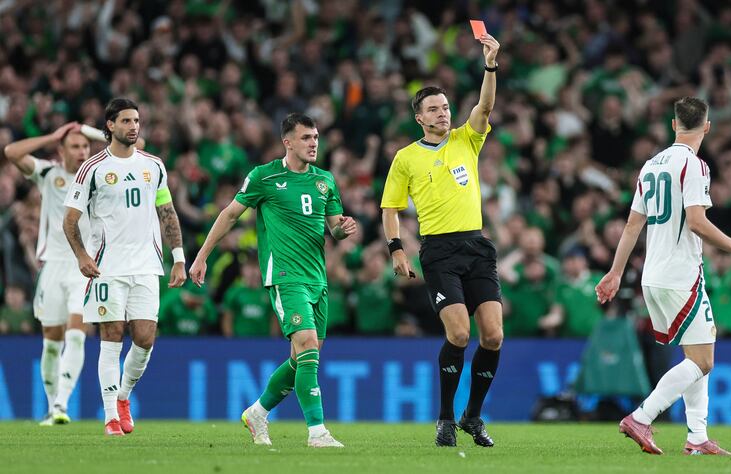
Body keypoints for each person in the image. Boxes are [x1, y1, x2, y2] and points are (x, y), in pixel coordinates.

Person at [595, 97, 731, 456]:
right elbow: (697, 222)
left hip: (653, 276)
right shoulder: (695, 165)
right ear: (707, 126)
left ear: (674, 125)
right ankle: (641, 417)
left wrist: (615, 272)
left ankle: (697, 438)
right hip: (680, 274)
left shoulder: (650, 165)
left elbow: (631, 226)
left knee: (697, 351)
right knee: (703, 360)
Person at [189, 113, 357, 448]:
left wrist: (342, 230)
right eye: (306, 137)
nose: (313, 143)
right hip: (284, 275)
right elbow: (230, 214)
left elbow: (334, 226)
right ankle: (317, 431)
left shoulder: (324, 180)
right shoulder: (264, 176)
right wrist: (202, 255)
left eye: (316, 137)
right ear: (288, 142)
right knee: (307, 343)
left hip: (316, 279)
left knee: (302, 357)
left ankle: (258, 412)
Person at [380, 33, 502, 447]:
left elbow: (485, 106)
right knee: (459, 335)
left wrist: (490, 65)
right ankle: (446, 418)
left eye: (446, 107)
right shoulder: (406, 158)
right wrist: (396, 249)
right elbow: (390, 208)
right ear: (419, 118)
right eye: (433, 109)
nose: (443, 113)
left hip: (477, 246)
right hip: (439, 251)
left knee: (494, 336)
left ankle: (473, 416)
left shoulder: (467, 138)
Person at [63, 98, 187, 436]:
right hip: (108, 268)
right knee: (111, 335)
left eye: (136, 120)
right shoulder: (92, 168)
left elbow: (168, 213)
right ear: (111, 126)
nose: (134, 126)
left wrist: (178, 258)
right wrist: (82, 257)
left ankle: (123, 397)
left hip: (147, 266)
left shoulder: (154, 166)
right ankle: (109, 418)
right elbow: (70, 221)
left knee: (145, 338)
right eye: (126, 121)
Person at [4, 122, 101, 425]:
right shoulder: (49, 174)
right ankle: (51, 406)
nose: (82, 152)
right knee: (51, 343)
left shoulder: (100, 176)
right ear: (62, 151)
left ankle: (61, 404)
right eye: (75, 146)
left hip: (83, 266)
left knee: (76, 337)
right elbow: (11, 151)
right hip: (52, 267)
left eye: (85, 146)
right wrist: (53, 135)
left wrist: (91, 130)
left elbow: (138, 146)